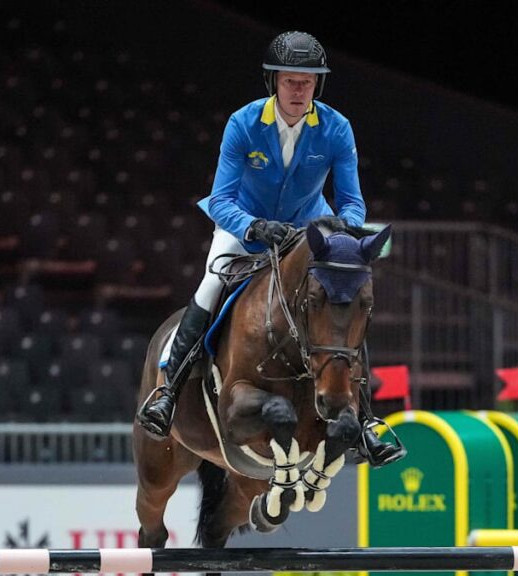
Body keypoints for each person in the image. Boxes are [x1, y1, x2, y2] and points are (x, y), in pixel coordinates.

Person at [137, 31, 404, 467]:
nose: (298, 91)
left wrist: (343, 231)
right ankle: (167, 393)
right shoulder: (243, 124)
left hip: (308, 231)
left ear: (318, 84)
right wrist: (255, 226)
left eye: (307, 82)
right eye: (290, 81)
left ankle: (367, 420)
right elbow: (221, 200)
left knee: (342, 299)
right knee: (210, 285)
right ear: (273, 82)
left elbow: (352, 202)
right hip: (244, 227)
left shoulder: (336, 128)